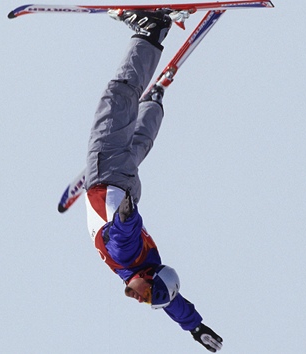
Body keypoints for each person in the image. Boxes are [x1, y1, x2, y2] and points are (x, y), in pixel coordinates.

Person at [83, 9, 223, 352]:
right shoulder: (130, 258)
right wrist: (127, 216)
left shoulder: (150, 268)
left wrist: (194, 326)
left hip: (126, 182)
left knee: (139, 143)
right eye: (146, 297)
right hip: (107, 178)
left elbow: (172, 302)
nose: (139, 300)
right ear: (149, 278)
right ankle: (151, 32)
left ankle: (155, 100)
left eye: (147, 302)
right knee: (117, 98)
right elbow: (122, 235)